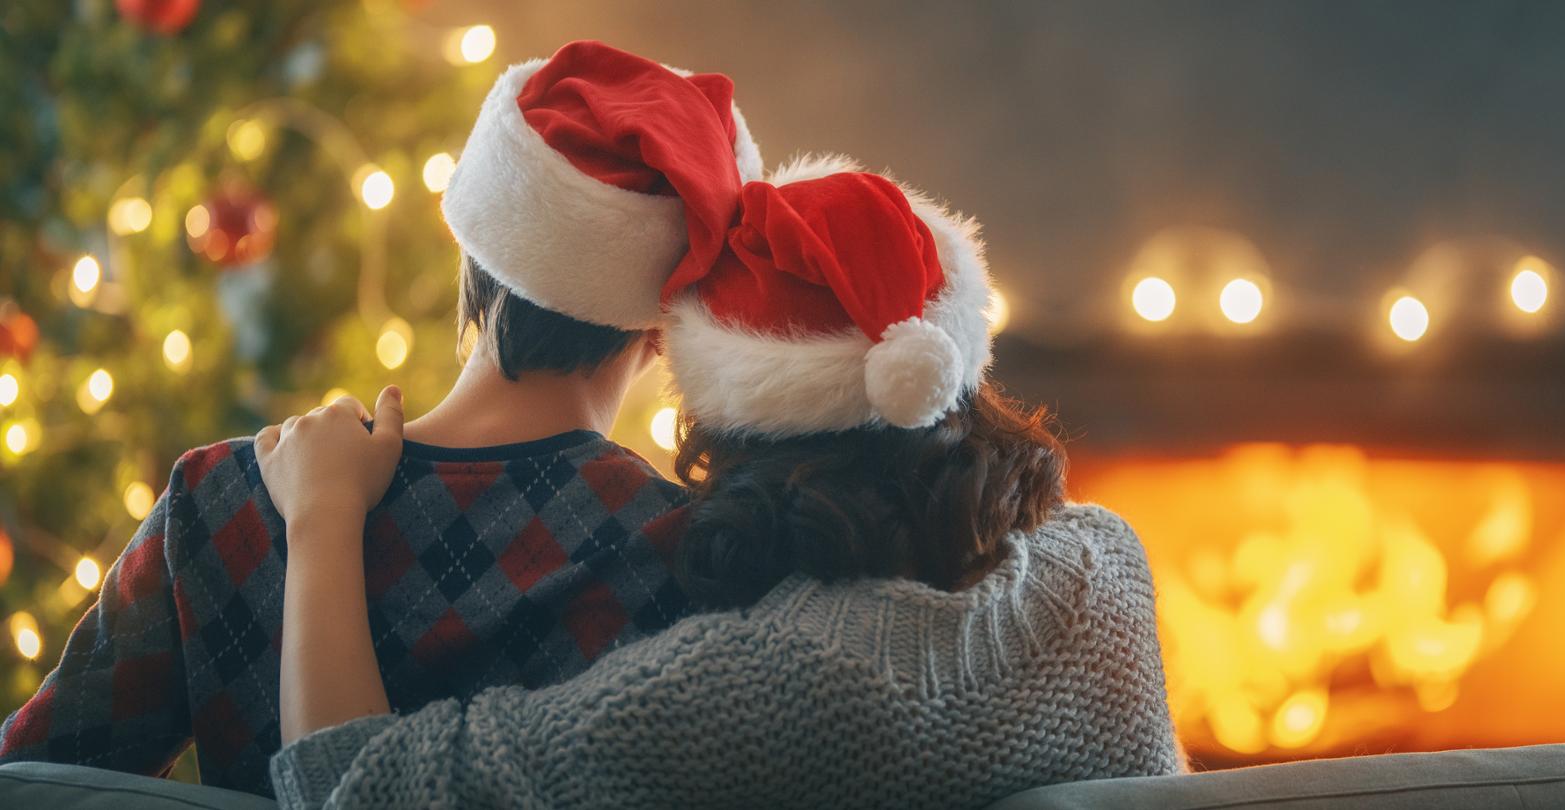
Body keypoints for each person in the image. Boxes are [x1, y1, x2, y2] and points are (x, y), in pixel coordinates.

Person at [257, 157, 1185, 808]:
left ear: (727, 429)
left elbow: (357, 789)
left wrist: (325, 513)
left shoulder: (744, 691)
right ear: (957, 372)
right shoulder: (1108, 565)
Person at [0, 40, 762, 796]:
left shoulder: (222, 495)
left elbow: (30, 777)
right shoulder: (682, 554)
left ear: (470, 244)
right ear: (669, 326)